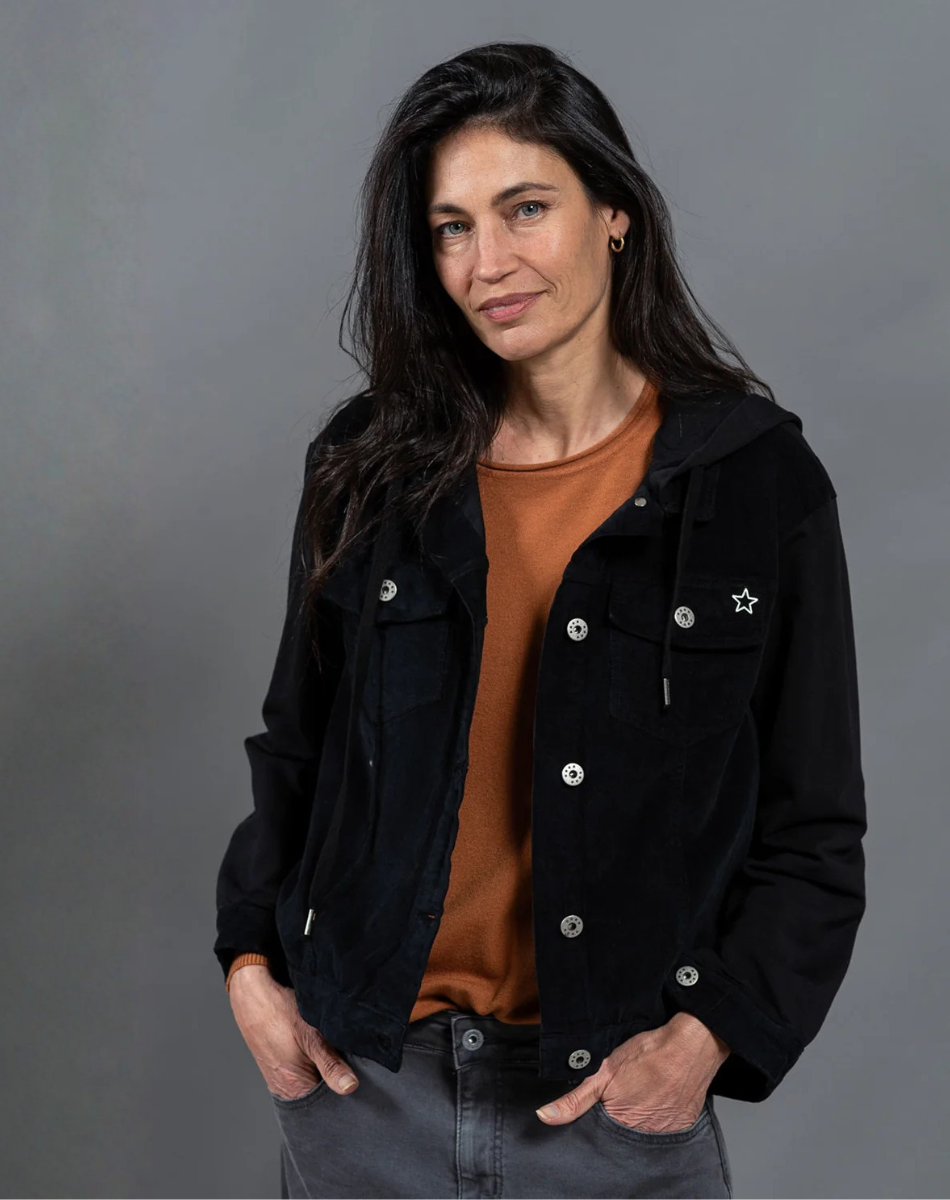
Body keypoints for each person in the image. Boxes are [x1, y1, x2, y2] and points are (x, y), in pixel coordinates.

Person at [214, 41, 866, 1200]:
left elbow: (811, 830)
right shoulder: (366, 469)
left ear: (614, 214)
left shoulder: (754, 484)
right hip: (366, 1099)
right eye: (450, 227)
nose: (487, 263)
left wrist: (704, 1039)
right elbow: (296, 751)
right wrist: (250, 970)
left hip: (611, 1108)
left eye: (525, 209)